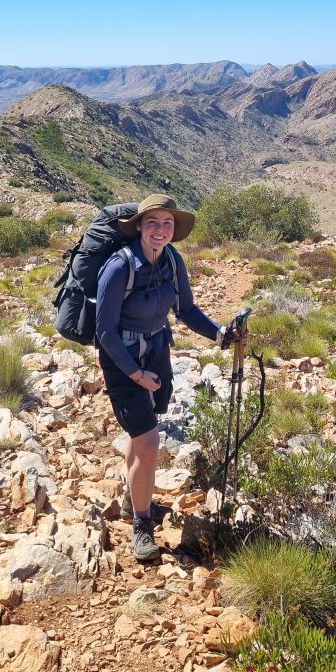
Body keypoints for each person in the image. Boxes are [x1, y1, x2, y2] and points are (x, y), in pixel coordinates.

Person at [95, 194, 243, 562]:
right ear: (140, 226)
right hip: (123, 360)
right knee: (148, 442)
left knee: (141, 435)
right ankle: (142, 525)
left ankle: (133, 500)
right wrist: (135, 372)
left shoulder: (173, 261)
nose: (160, 230)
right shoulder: (119, 267)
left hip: (158, 351)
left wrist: (220, 334)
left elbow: (187, 310)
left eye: (167, 224)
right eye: (153, 223)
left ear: (174, 230)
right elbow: (105, 332)